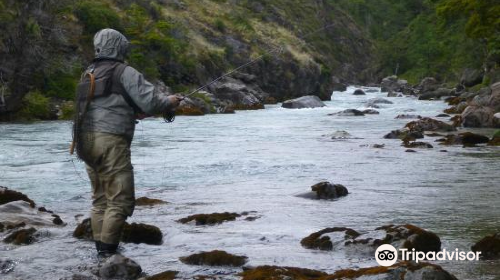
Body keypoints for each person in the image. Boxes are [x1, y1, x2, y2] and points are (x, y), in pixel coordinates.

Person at [72, 28, 181, 257]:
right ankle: (108, 254)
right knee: (120, 200)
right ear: (120, 46)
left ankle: (101, 252)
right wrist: (170, 101)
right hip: (111, 140)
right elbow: (152, 102)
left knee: (100, 199)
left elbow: (106, 105)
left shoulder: (89, 72)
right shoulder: (123, 71)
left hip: (86, 141)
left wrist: (132, 112)